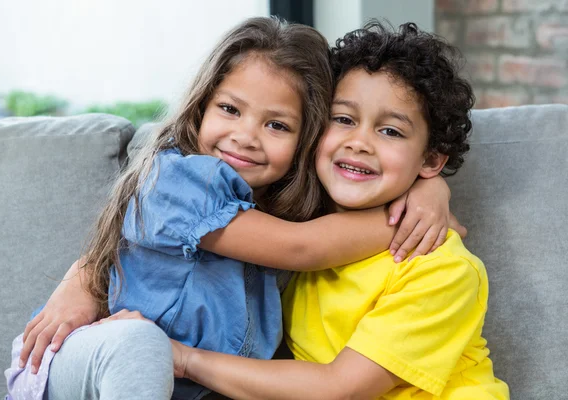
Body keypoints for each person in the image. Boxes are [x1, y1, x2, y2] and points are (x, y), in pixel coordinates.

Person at [6, 18, 459, 400]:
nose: (245, 136)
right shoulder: (180, 179)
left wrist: (428, 187)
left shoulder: (295, 203)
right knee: (143, 344)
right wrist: (408, 212)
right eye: (229, 109)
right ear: (200, 108)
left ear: (307, 139)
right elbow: (302, 248)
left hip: (187, 383)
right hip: (96, 358)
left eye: (277, 125)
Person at [145, 21, 511, 399]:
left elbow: (340, 389)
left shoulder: (440, 269)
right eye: (344, 119)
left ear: (430, 158)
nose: (359, 143)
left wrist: (186, 360)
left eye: (391, 131)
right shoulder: (298, 216)